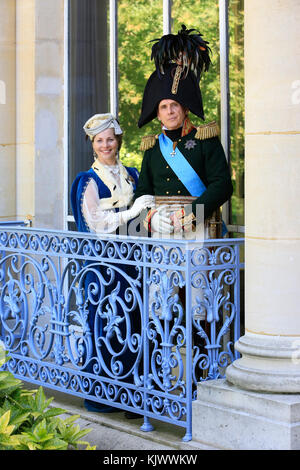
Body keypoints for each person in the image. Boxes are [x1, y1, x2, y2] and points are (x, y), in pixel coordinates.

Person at [70, 113, 154, 415]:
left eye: (110, 139)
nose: (106, 144)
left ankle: (134, 394)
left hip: (131, 262)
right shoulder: (88, 181)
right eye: (99, 140)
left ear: (118, 141)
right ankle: (104, 394)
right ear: (93, 145)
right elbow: (96, 223)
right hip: (103, 265)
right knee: (106, 322)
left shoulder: (131, 173)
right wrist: (132, 213)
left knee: (134, 323)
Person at [134, 25, 233, 236]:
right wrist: (150, 218)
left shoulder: (205, 140)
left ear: (185, 108)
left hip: (201, 228)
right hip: (163, 232)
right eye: (163, 107)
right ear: (157, 114)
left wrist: (191, 215)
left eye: (174, 105)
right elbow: (143, 192)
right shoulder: (152, 148)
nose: (169, 111)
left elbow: (222, 185)